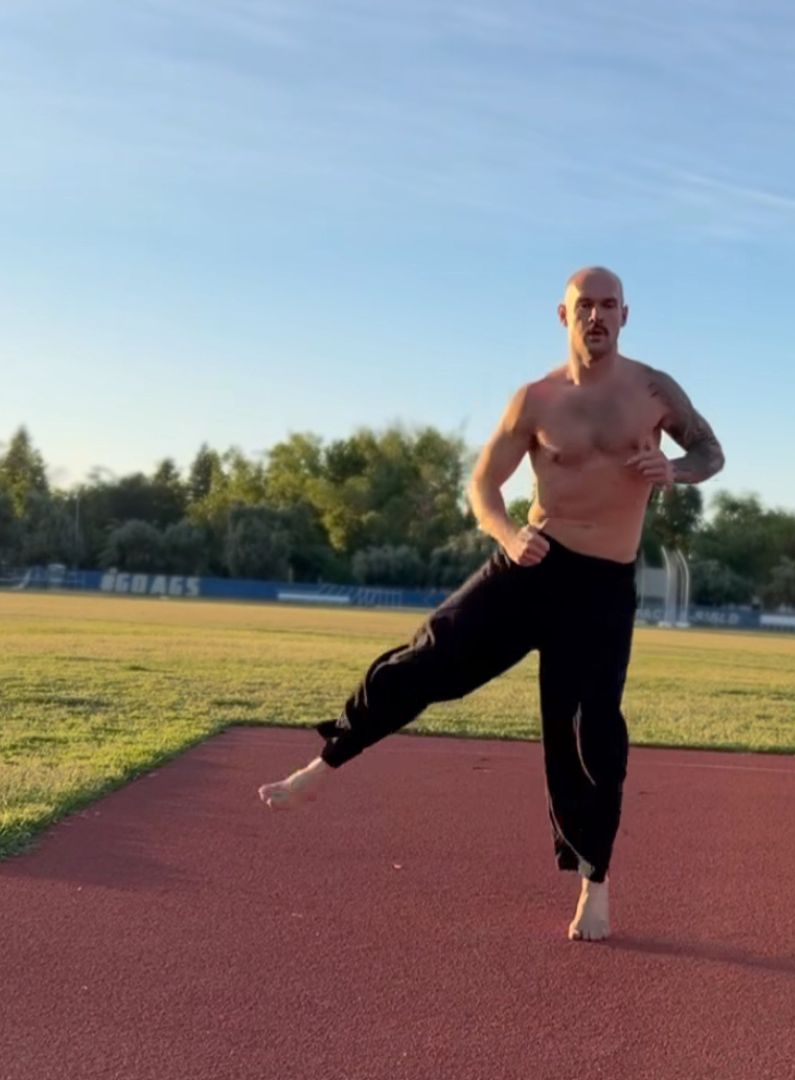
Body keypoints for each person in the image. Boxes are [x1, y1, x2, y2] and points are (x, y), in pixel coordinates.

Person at [258, 267, 725, 941]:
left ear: (626, 316)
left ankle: (595, 884)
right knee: (430, 656)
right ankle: (322, 764)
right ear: (562, 315)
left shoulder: (656, 390)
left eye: (608, 306)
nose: (596, 316)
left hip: (602, 588)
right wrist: (508, 534)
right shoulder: (534, 400)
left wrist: (676, 470)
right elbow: (483, 485)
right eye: (583, 306)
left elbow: (711, 450)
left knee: (590, 732)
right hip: (532, 564)